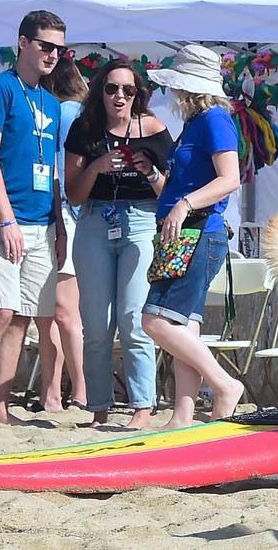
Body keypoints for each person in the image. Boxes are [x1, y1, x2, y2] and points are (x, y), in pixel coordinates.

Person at [0, 11, 67, 427]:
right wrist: (7, 221)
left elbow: (51, 169)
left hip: (42, 222)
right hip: (1, 219)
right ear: (23, 42)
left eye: (59, 48)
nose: (53, 55)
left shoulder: (52, 103)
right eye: (45, 45)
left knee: (23, 315)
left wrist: (57, 226)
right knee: (0, 310)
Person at [140, 45, 243, 428]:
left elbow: (229, 179)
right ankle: (182, 414)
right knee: (183, 326)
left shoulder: (214, 120)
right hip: (187, 234)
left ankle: (224, 384)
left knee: (155, 321)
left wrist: (184, 204)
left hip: (199, 233)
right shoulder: (199, 122)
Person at [65, 59, 172, 428]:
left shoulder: (155, 129)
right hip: (95, 220)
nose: (120, 96)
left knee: (133, 317)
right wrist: (96, 167)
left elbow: (168, 194)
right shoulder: (85, 129)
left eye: (128, 90)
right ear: (100, 92)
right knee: (95, 324)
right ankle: (99, 407)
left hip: (141, 220)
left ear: (138, 94)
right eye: (112, 88)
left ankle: (143, 406)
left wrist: (150, 170)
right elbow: (73, 195)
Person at [36, 56, 88, 413]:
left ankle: (76, 390)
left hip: (63, 213)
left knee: (62, 312)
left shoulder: (63, 111)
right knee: (57, 311)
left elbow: (60, 170)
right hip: (65, 213)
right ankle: (56, 391)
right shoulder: (77, 110)